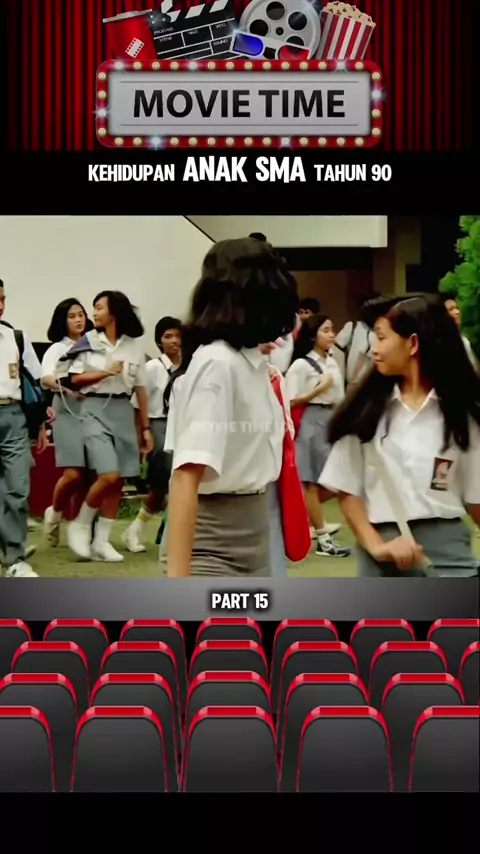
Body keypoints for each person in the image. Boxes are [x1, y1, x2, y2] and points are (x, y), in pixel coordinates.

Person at [164, 237, 298, 577]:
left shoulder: (252, 364)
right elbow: (186, 475)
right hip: (212, 549)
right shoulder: (218, 363)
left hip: (257, 539)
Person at [320, 294, 480, 577]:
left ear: (413, 343)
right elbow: (347, 490)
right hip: (382, 560)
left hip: (449, 559)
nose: (374, 348)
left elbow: (476, 499)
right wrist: (377, 547)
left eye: (382, 338)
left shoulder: (461, 415)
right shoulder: (365, 413)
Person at [62, 290, 154, 562]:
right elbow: (73, 378)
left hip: (123, 410)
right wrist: (106, 372)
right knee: (108, 474)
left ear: (114, 312)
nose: (94, 313)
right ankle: (80, 524)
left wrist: (145, 428)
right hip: (93, 408)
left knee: (119, 481)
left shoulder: (134, 346)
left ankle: (101, 542)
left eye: (99, 307)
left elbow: (140, 390)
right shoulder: (88, 341)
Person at [285, 314, 351, 557]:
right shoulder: (301, 365)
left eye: (332, 329)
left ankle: (301, 515)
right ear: (313, 336)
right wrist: (319, 389)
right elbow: (289, 400)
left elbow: (340, 396)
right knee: (311, 481)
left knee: (337, 479)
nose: (332, 334)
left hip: (330, 419)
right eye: (326, 330)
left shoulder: (332, 361)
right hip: (311, 421)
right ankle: (322, 537)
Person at [0, 279, 47, 577]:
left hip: (13, 414)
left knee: (18, 487)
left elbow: (35, 382)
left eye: (2, 299)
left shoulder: (15, 338)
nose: (0, 305)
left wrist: (39, 423)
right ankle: (11, 547)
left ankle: (14, 558)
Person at [123, 316, 182, 553]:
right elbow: (138, 404)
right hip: (158, 423)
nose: (174, 341)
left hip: (182, 425)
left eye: (178, 336)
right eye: (168, 336)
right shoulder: (153, 368)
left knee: (173, 483)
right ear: (159, 341)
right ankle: (140, 529)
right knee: (164, 479)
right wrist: (142, 434)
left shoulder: (189, 367)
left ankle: (145, 530)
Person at [41, 298, 94, 546]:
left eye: (81, 314)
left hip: (93, 410)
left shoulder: (94, 345)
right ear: (63, 321)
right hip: (66, 409)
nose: (78, 319)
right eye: (72, 316)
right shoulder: (57, 349)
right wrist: (67, 389)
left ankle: (82, 527)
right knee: (73, 473)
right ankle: (54, 513)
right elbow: (46, 378)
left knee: (92, 473)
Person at [335, 294, 377, 390]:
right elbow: (336, 352)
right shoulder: (352, 327)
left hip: (369, 386)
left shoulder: (378, 333)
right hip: (347, 383)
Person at [442, 293, 479, 370]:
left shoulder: (465, 338)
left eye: (457, 308)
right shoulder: (445, 341)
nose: (457, 312)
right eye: (451, 309)